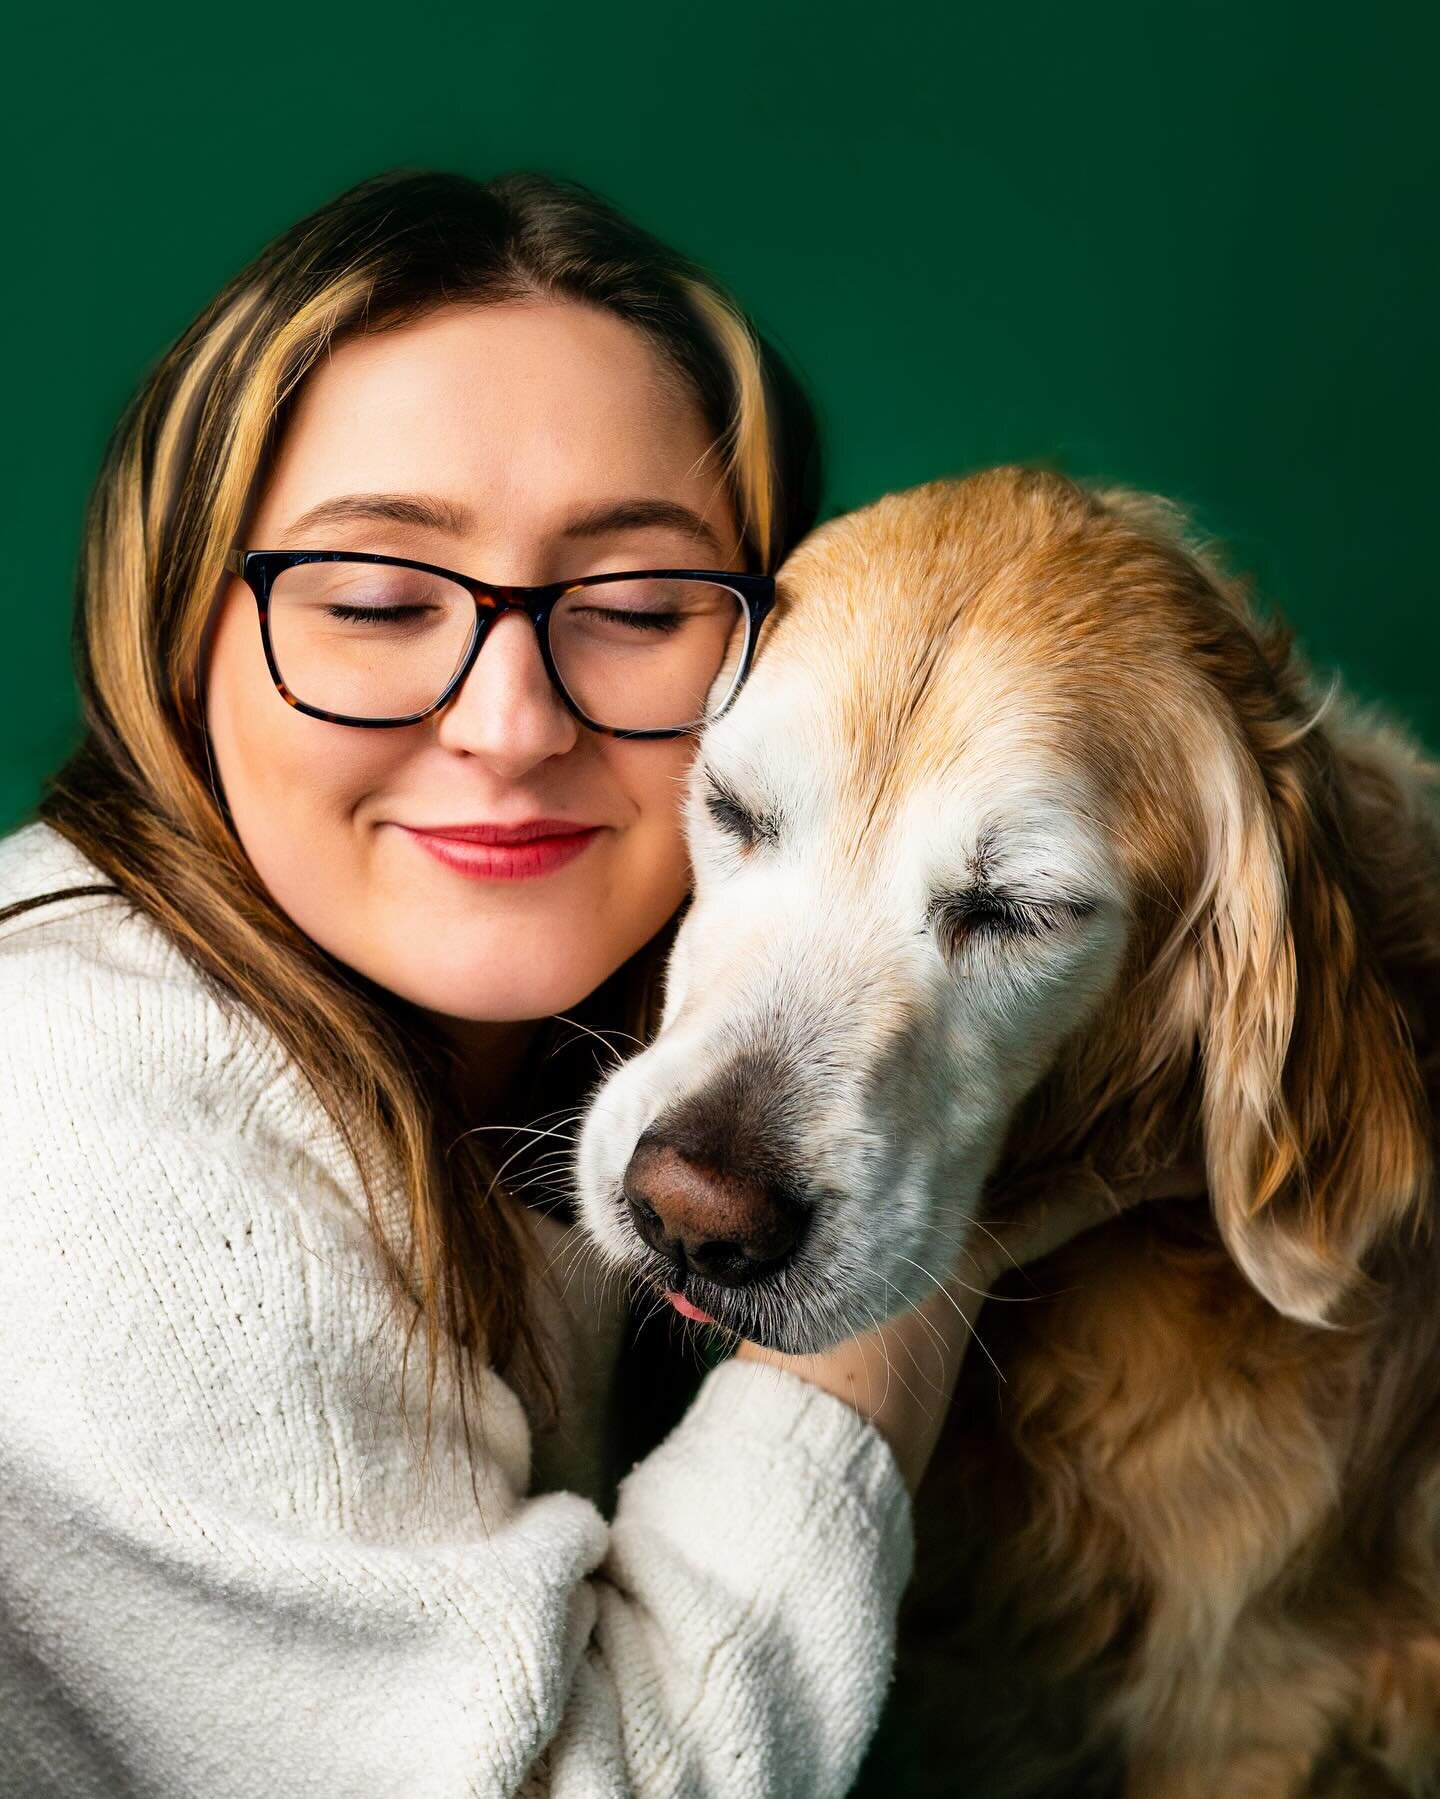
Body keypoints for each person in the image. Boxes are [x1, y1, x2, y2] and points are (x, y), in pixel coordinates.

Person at [0, 168, 1156, 1796]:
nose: (512, 721)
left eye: (634, 607)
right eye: (379, 601)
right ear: (177, 634)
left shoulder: (582, 1037)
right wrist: (919, 1258)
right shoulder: (70, 1102)